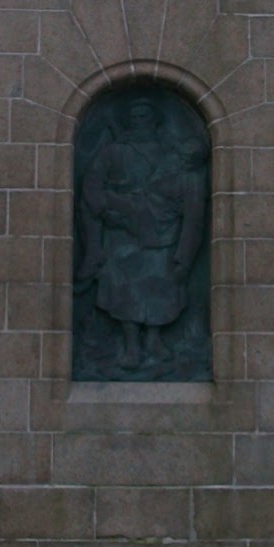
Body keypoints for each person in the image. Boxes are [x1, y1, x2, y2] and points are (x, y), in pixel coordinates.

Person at [78, 96, 207, 372]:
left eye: (144, 117)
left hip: (162, 235)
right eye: (134, 118)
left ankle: (154, 340)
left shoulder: (169, 155)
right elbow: (92, 183)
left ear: (155, 121)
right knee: (124, 289)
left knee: (160, 287)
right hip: (122, 232)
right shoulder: (113, 152)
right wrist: (105, 209)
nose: (138, 122)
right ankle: (131, 345)